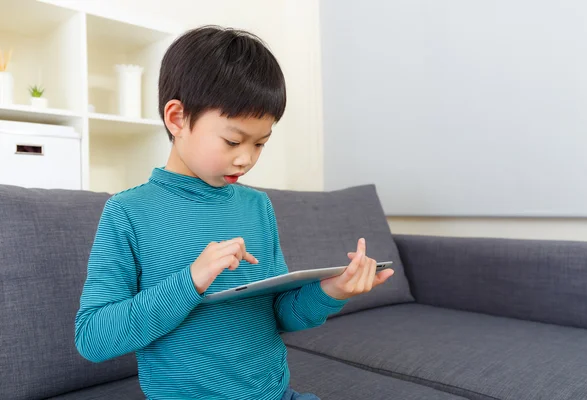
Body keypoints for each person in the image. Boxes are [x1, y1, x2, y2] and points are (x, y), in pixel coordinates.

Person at [75, 25, 394, 400]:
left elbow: (279, 315)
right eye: (232, 140)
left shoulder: (257, 206)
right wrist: (191, 280)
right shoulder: (128, 213)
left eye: (260, 143)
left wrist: (332, 291)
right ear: (177, 119)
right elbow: (93, 338)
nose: (246, 159)